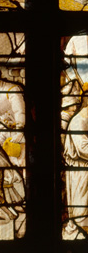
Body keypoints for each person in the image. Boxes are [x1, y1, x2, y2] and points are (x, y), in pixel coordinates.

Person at [63, 95, 88, 239]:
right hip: (80, 171)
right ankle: (76, 234)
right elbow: (83, 148)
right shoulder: (79, 120)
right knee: (81, 208)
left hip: (84, 168)